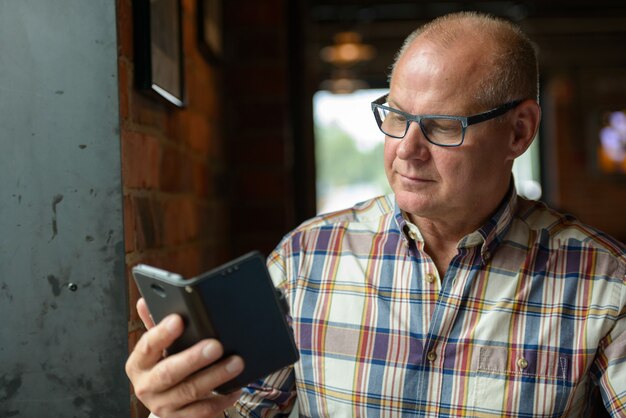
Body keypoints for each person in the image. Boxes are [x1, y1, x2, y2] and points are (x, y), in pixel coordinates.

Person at [125, 11, 626, 417]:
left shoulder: (605, 280)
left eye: (442, 127)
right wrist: (182, 410)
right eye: (397, 116)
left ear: (519, 132)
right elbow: (241, 412)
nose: (406, 150)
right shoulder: (305, 259)